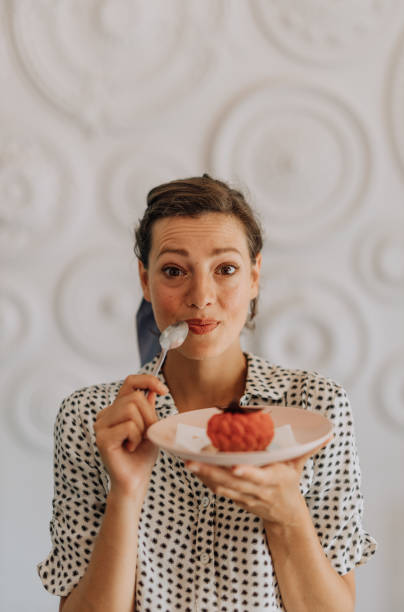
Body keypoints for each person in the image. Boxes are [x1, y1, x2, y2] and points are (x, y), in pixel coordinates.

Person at [38, 175, 376, 611]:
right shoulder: (91, 419)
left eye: (226, 269)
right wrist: (125, 491)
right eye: (175, 271)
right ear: (145, 280)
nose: (200, 298)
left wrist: (286, 513)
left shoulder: (314, 408)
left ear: (254, 276)